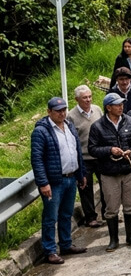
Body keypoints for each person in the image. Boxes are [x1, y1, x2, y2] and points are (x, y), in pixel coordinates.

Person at [31, 97, 89, 265]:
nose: (62, 113)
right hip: (54, 181)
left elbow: (76, 151)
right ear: (49, 112)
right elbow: (37, 159)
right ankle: (49, 250)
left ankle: (66, 244)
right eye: (58, 111)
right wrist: (43, 183)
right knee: (50, 217)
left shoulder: (69, 126)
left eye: (64, 110)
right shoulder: (41, 131)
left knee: (66, 214)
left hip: (71, 177)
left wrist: (81, 174)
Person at [89, 93, 131, 251]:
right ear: (108, 107)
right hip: (109, 172)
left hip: (129, 170)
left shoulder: (130, 121)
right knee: (112, 207)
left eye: (122, 104)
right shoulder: (97, 126)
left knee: (130, 204)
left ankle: (130, 236)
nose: (121, 107)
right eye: (117, 104)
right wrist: (110, 150)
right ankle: (113, 240)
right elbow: (92, 149)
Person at [66, 85, 103, 228]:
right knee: (85, 188)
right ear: (77, 99)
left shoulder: (97, 110)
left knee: (105, 185)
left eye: (89, 96)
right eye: (84, 98)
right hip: (83, 158)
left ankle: (107, 213)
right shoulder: (71, 116)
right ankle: (90, 217)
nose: (88, 100)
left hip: (100, 155)